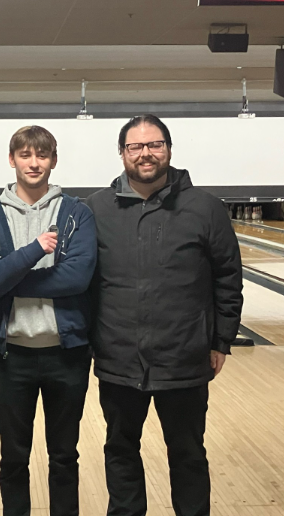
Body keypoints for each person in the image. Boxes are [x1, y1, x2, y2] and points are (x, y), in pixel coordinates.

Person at [86, 114, 243, 516]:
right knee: (120, 450)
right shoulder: (97, 209)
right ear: (122, 153)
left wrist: (221, 339)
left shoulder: (205, 208)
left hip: (184, 358)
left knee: (188, 454)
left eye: (154, 145)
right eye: (136, 147)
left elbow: (228, 277)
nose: (146, 154)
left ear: (169, 150)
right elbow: (83, 282)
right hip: (119, 358)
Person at [0, 126, 97, 516]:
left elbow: (77, 278)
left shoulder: (77, 214)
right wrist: (31, 252)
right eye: (25, 155)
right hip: (11, 358)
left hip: (67, 355)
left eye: (42, 155)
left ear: (53, 161)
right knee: (13, 459)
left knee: (63, 457)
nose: (34, 162)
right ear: (12, 160)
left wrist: (9, 279)